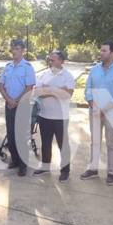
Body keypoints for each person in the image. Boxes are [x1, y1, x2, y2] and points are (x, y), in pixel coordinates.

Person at [80, 41, 113, 186]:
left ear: (112, 53)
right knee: (95, 141)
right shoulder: (95, 69)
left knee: (111, 143)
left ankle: (111, 172)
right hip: (94, 110)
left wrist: (103, 109)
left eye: (104, 51)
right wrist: (93, 105)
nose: (101, 53)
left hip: (111, 113)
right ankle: (93, 169)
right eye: (101, 50)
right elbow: (88, 88)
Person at [33, 50, 75, 182]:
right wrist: (57, 90)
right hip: (44, 115)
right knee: (45, 143)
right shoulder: (45, 74)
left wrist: (48, 90)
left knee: (63, 145)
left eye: (53, 60)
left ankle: (65, 171)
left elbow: (67, 94)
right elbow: (37, 92)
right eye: (49, 60)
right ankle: (45, 167)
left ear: (61, 61)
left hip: (60, 118)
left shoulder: (67, 75)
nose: (50, 62)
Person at [0, 39, 36, 176]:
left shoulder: (27, 67)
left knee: (21, 135)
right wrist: (9, 100)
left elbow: (29, 87)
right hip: (9, 105)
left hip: (22, 105)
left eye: (17, 49)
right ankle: (14, 159)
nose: (14, 51)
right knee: (11, 134)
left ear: (23, 50)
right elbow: (1, 86)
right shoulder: (8, 67)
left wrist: (16, 101)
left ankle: (23, 164)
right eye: (13, 49)